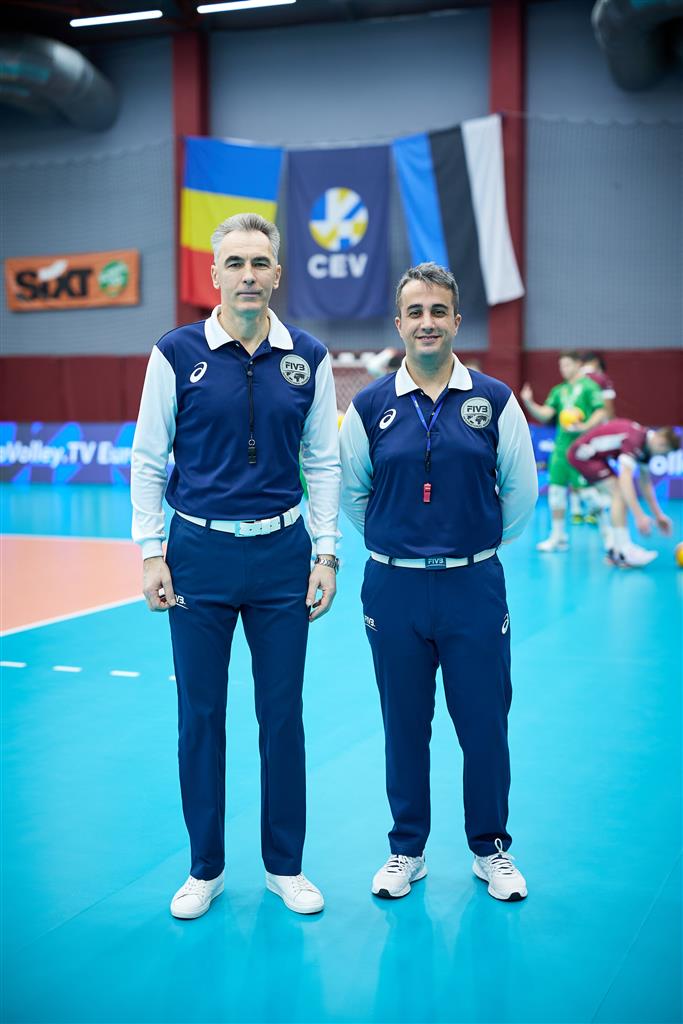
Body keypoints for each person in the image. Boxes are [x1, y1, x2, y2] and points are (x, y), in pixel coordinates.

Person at [131, 213, 341, 919]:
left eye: (259, 263)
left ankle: (285, 866)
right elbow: (147, 457)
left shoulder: (308, 356)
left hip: (283, 557)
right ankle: (206, 867)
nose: (248, 275)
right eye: (235, 263)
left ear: (277, 274)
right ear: (214, 275)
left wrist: (326, 552)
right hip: (198, 555)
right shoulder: (175, 352)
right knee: (200, 715)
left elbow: (323, 461)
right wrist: (151, 551)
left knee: (282, 715)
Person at [339, 262, 538, 903]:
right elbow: (353, 494)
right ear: (399, 323)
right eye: (415, 312)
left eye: (438, 311)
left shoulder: (494, 400)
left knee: (484, 724)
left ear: (456, 320)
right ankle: (407, 849)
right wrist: (398, 539)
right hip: (393, 589)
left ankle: (491, 848)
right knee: (404, 724)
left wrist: (470, 542)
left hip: (472, 587)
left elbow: (520, 494)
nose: (427, 322)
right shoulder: (369, 406)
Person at [521, 352, 606, 551]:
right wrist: (529, 402)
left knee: (588, 495)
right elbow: (545, 415)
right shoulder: (559, 390)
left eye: (567, 365)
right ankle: (558, 537)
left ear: (578, 364)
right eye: (561, 366)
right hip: (560, 449)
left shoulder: (590, 387)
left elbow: (601, 411)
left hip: (582, 449)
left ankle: (610, 536)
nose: (563, 369)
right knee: (556, 492)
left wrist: (584, 427)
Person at [567, 420, 679, 567]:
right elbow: (625, 479)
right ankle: (623, 551)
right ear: (662, 442)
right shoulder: (635, 440)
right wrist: (639, 516)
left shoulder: (646, 446)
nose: (662, 456)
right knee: (619, 494)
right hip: (582, 455)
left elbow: (645, 483)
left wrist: (659, 515)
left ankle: (617, 550)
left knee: (619, 494)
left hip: (597, 458)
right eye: (664, 453)